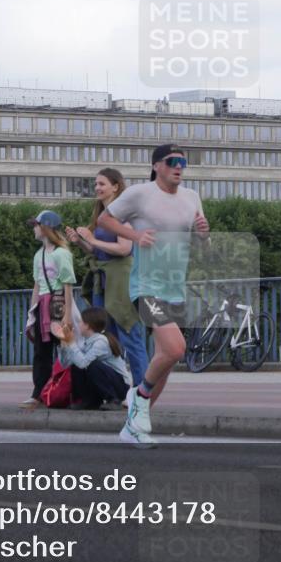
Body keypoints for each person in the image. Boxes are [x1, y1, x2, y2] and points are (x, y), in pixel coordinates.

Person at [98, 143, 210, 448]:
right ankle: (140, 394)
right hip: (146, 287)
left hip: (174, 287)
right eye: (173, 161)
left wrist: (202, 234)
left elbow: (200, 247)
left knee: (166, 359)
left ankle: (133, 425)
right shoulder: (140, 194)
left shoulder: (192, 198)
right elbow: (104, 220)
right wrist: (135, 236)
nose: (179, 167)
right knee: (175, 349)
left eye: (183, 163)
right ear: (157, 166)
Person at [66, 168, 149, 387]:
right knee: (107, 338)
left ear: (116, 186)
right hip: (102, 284)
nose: (97, 188)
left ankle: (142, 391)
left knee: (129, 334)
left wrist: (92, 239)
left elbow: (124, 248)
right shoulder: (101, 215)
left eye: (102, 184)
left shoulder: (124, 215)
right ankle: (118, 389)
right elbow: (97, 251)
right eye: (95, 184)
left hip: (120, 282)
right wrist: (80, 242)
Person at [21, 209, 75, 410]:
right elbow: (37, 285)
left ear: (45, 228)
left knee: (65, 351)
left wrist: (68, 316)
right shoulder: (39, 255)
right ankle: (39, 392)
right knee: (41, 352)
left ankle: (67, 391)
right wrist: (31, 313)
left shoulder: (62, 254)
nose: (34, 229)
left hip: (58, 306)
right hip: (41, 308)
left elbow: (68, 285)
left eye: (36, 225)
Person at [51, 307, 130, 410]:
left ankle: (114, 400)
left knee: (92, 365)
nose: (78, 325)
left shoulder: (101, 342)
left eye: (80, 322)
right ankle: (89, 401)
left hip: (121, 387)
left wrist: (71, 342)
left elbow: (84, 363)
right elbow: (66, 364)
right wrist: (64, 343)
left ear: (88, 326)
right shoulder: (86, 341)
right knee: (76, 363)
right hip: (111, 382)